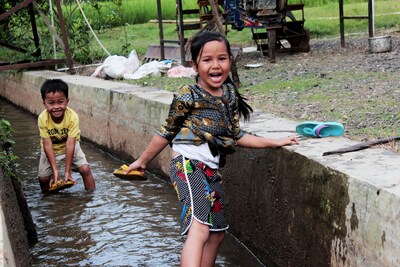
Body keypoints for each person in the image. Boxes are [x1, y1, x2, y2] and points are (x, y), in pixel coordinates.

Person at [124, 31, 299, 266]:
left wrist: (274, 142)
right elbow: (167, 131)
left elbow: (236, 135)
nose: (215, 66)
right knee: (200, 227)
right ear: (195, 64)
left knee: (217, 233)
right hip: (188, 165)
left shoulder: (228, 94)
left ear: (230, 60)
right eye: (207, 60)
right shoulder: (188, 95)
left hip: (210, 170)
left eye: (222, 59)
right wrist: (142, 161)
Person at [38, 79, 95, 193]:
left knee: (85, 169)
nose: (56, 106)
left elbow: (70, 144)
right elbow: (47, 144)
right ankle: (49, 198)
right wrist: (55, 171)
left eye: (60, 102)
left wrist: (67, 172)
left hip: (71, 146)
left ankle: (91, 195)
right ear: (44, 103)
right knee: (43, 178)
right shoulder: (42, 118)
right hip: (51, 149)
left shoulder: (72, 117)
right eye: (51, 103)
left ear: (67, 101)